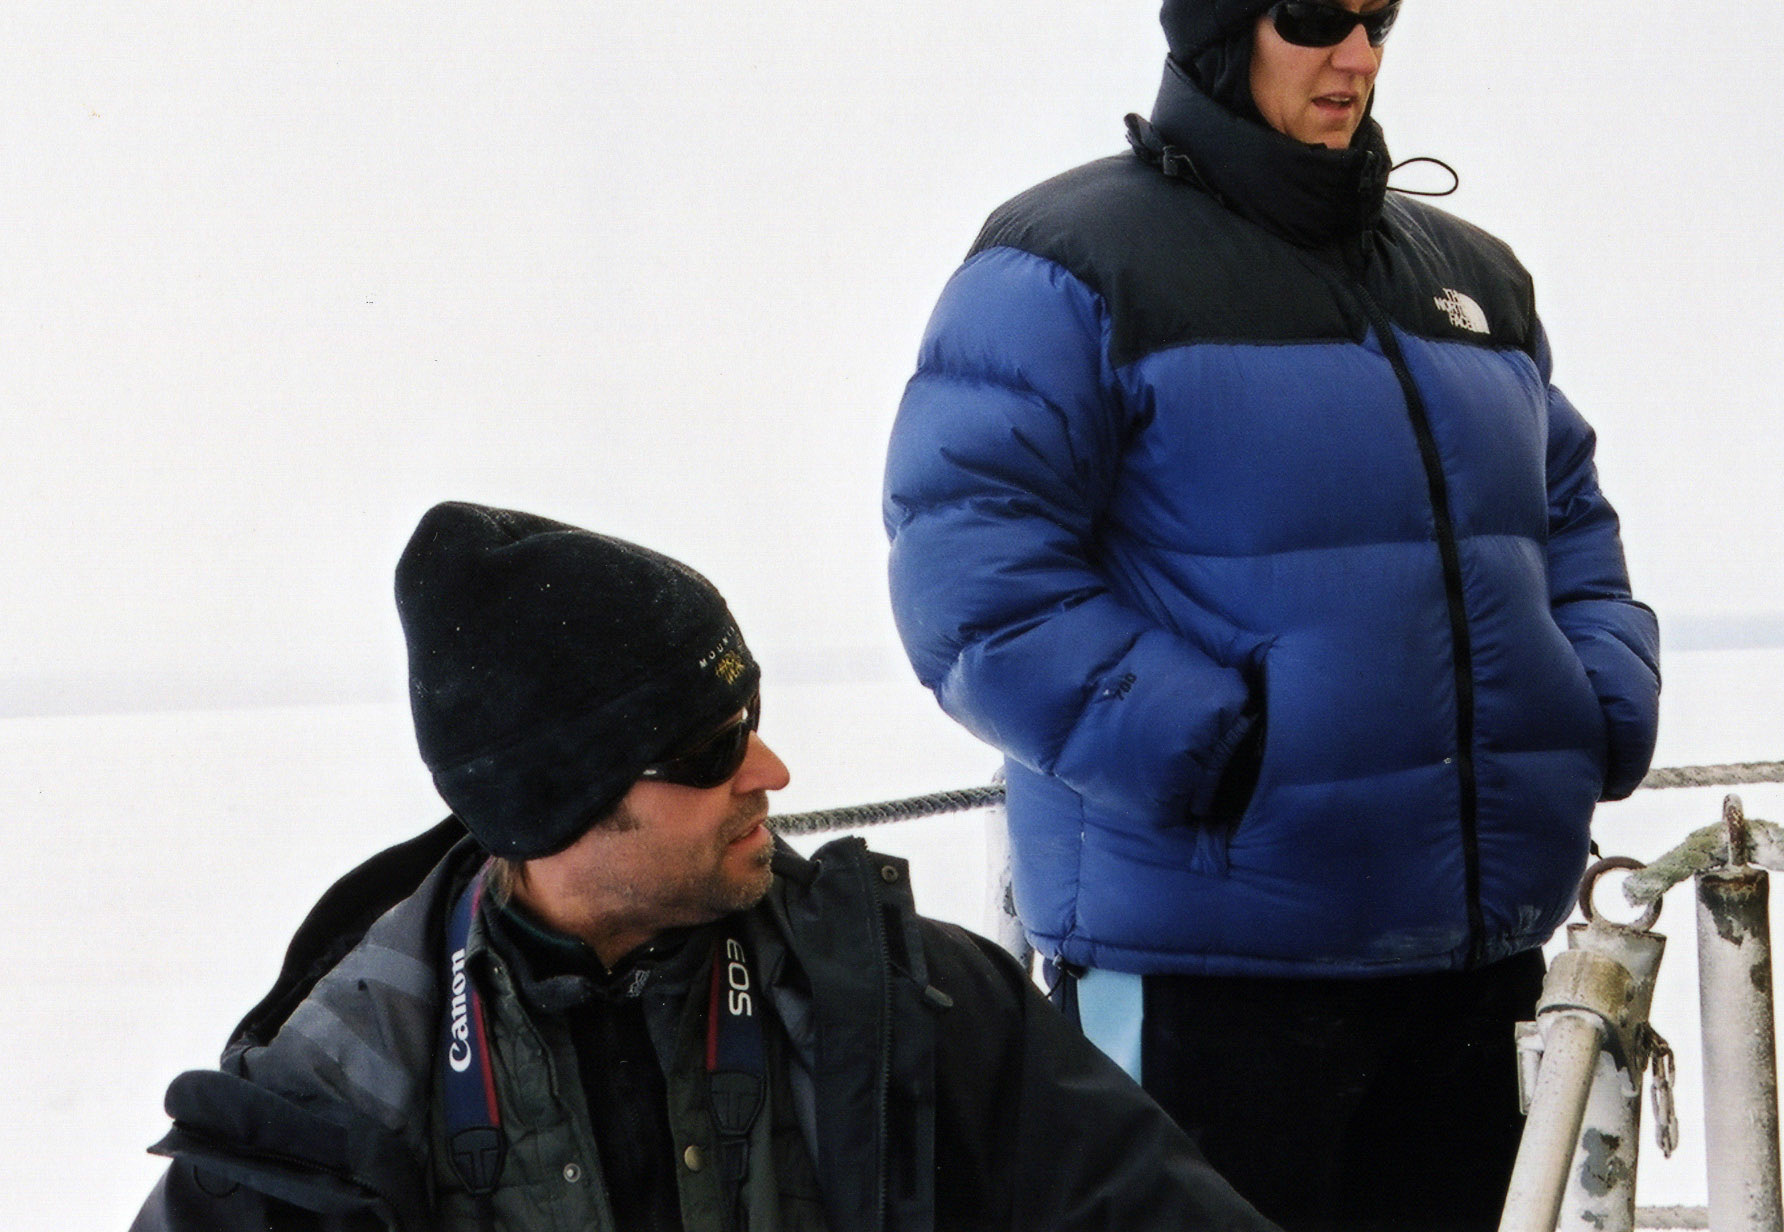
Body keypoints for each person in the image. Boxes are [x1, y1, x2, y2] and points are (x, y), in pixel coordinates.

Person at [881, 0, 1660, 1232]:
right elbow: (972, 576)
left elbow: (1566, 517)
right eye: (1313, 18)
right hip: (1208, 978)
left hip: (1464, 966)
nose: (1355, 54)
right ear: (1218, 23)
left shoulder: (1469, 277)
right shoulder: (1066, 266)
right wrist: (1215, 748)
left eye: (1377, 18)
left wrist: (1597, 697)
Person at [133, 501, 1277, 1232]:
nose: (768, 771)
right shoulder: (323, 1108)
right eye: (707, 748)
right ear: (553, 803)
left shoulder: (918, 1011)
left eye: (752, 719)